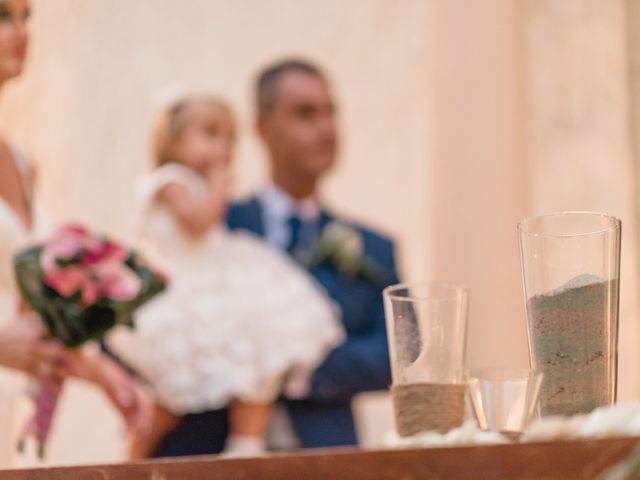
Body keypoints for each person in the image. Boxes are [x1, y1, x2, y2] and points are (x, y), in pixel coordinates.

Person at [153, 59, 400, 454]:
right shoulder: (215, 228)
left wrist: (293, 365)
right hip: (204, 455)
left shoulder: (372, 247)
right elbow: (161, 310)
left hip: (322, 458)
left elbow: (398, 353)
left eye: (330, 112)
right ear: (263, 128)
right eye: (305, 113)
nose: (326, 128)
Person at [107, 95, 343, 458]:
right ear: (174, 140)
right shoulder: (170, 182)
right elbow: (199, 222)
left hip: (212, 278)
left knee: (254, 358)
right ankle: (129, 462)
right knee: (167, 398)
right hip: (180, 289)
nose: (224, 147)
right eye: (211, 134)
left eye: (231, 138)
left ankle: (245, 442)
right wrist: (219, 182)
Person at [0, 0, 152, 466]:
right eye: (3, 16)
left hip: (15, 403)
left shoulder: (21, 163)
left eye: (28, 16)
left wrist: (103, 373)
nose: (22, 30)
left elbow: (31, 309)